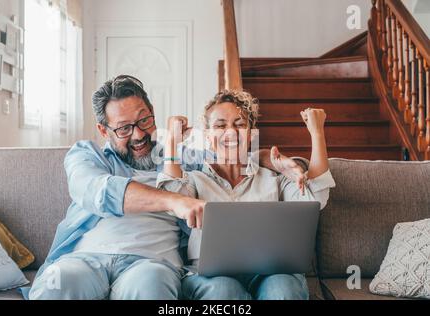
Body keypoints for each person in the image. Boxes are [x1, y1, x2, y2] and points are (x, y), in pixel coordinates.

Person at [24, 75, 308, 300]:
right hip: (85, 258)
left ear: (153, 113)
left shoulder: (184, 160)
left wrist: (277, 161)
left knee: (151, 286)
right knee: (56, 284)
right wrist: (174, 201)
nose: (138, 135)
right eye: (124, 128)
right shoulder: (88, 156)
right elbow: (97, 189)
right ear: (103, 131)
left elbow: (228, 155)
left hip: (152, 263)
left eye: (145, 120)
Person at [157, 89, 336, 300]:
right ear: (208, 136)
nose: (231, 132)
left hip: (271, 272)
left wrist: (317, 133)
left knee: (283, 290)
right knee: (223, 292)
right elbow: (171, 197)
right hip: (212, 277)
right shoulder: (196, 180)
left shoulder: (273, 177)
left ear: (251, 134)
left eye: (239, 124)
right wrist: (171, 141)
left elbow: (315, 198)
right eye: (220, 125)